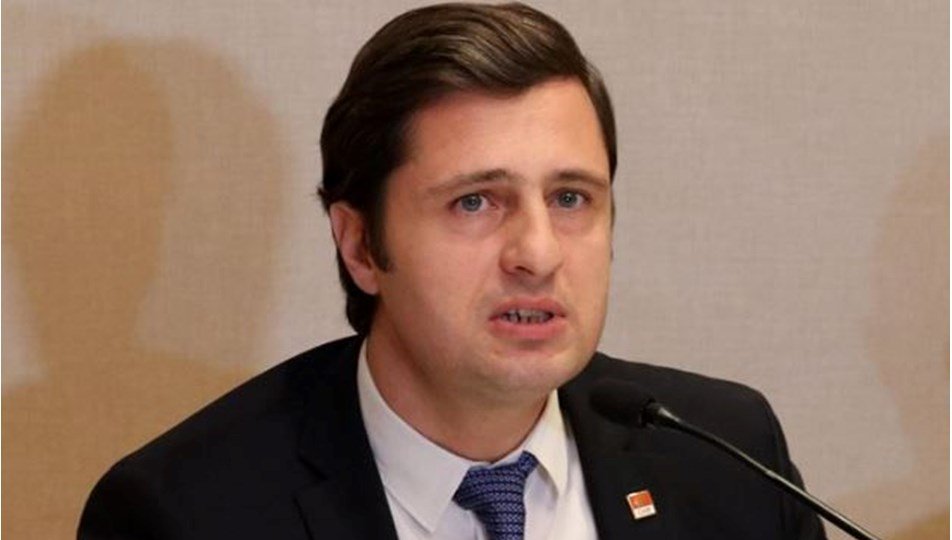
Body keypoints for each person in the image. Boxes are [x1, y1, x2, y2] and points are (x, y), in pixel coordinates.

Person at [79, 3, 826, 539]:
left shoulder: (729, 459)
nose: (538, 253)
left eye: (570, 198)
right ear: (360, 246)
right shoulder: (183, 513)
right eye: (475, 202)